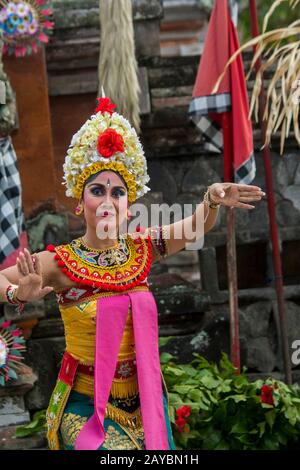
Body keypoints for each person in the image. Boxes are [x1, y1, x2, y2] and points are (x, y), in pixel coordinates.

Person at [0, 96, 264, 450]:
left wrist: (211, 201)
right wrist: (18, 294)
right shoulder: (60, 263)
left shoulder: (141, 249)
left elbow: (191, 228)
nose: (108, 199)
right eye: (97, 190)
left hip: (146, 402)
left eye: (118, 192)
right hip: (87, 408)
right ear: (81, 203)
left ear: (128, 206)